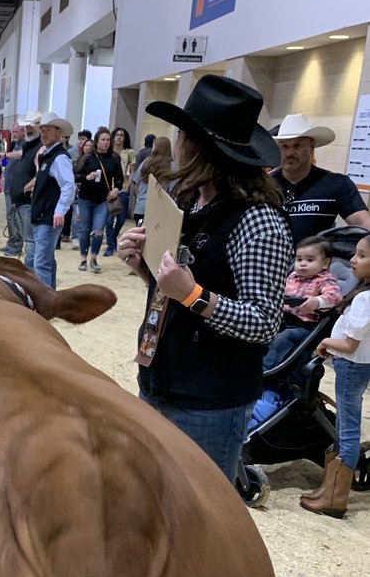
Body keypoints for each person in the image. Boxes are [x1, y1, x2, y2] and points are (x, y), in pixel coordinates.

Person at [118, 74, 292, 483]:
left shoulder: (258, 221)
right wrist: (144, 267)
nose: (177, 142)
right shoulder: (188, 202)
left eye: (183, 134)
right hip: (163, 380)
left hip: (210, 402)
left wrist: (194, 294)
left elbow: (264, 321)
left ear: (200, 147)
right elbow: (175, 288)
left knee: (196, 519)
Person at [301, 235, 370, 517]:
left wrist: (326, 343)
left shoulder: (365, 298)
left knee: (348, 430)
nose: (353, 260)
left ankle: (334, 497)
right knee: (345, 424)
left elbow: (350, 344)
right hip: (357, 366)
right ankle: (329, 488)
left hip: (351, 366)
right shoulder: (364, 293)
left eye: (362, 256)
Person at [271, 113, 370, 244]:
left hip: (315, 262)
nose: (290, 153)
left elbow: (363, 224)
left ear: (311, 146)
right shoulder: (264, 184)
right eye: (284, 146)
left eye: (297, 146)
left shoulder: (336, 184)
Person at [263, 235, 343, 372]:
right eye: (299, 259)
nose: (302, 263)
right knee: (263, 328)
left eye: (310, 260)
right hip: (281, 319)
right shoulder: (292, 277)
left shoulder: (324, 280)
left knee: (284, 338)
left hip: (303, 326)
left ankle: (265, 369)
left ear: (325, 263)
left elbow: (335, 296)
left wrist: (318, 302)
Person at [26, 112, 75, 287]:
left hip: (48, 216)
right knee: (47, 260)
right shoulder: (47, 154)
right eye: (42, 130)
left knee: (41, 263)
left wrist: (60, 210)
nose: (44, 134)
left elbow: (69, 185)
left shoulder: (59, 157)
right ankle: (50, 297)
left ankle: (44, 302)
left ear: (59, 132)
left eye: (48, 130)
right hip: (42, 214)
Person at [76, 126, 123, 273]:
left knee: (98, 231)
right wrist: (86, 177)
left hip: (103, 200)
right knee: (84, 230)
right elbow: (75, 174)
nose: (106, 142)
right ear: (97, 141)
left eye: (108, 140)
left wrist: (116, 189)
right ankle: (83, 258)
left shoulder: (114, 158)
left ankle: (94, 258)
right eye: (103, 140)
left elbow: (120, 178)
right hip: (85, 199)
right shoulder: (87, 157)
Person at [4, 112, 42, 265]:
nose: (28, 129)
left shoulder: (40, 147)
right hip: (20, 200)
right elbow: (20, 154)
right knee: (27, 238)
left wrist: (30, 184)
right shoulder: (28, 144)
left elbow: (42, 171)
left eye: (31, 126)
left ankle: (30, 271)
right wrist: (6, 155)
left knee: (30, 239)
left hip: (28, 201)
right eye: (26, 126)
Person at [104, 126, 135, 256]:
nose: (119, 137)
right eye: (117, 135)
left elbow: (132, 171)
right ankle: (110, 245)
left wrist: (127, 187)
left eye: (122, 135)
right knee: (109, 220)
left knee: (121, 219)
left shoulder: (129, 152)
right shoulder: (108, 152)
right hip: (108, 189)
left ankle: (114, 237)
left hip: (122, 188)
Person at [130, 135, 174, 224]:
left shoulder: (146, 163)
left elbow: (135, 181)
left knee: (139, 235)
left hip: (142, 207)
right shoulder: (172, 166)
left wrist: (140, 197)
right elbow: (173, 189)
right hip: (161, 208)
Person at [0, 122, 25, 257]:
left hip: (15, 188)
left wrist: (6, 155)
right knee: (9, 216)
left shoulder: (24, 146)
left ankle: (16, 245)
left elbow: (21, 155)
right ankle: (11, 242)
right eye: (13, 132)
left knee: (14, 217)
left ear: (24, 132)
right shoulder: (15, 145)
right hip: (8, 186)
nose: (14, 134)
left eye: (17, 132)